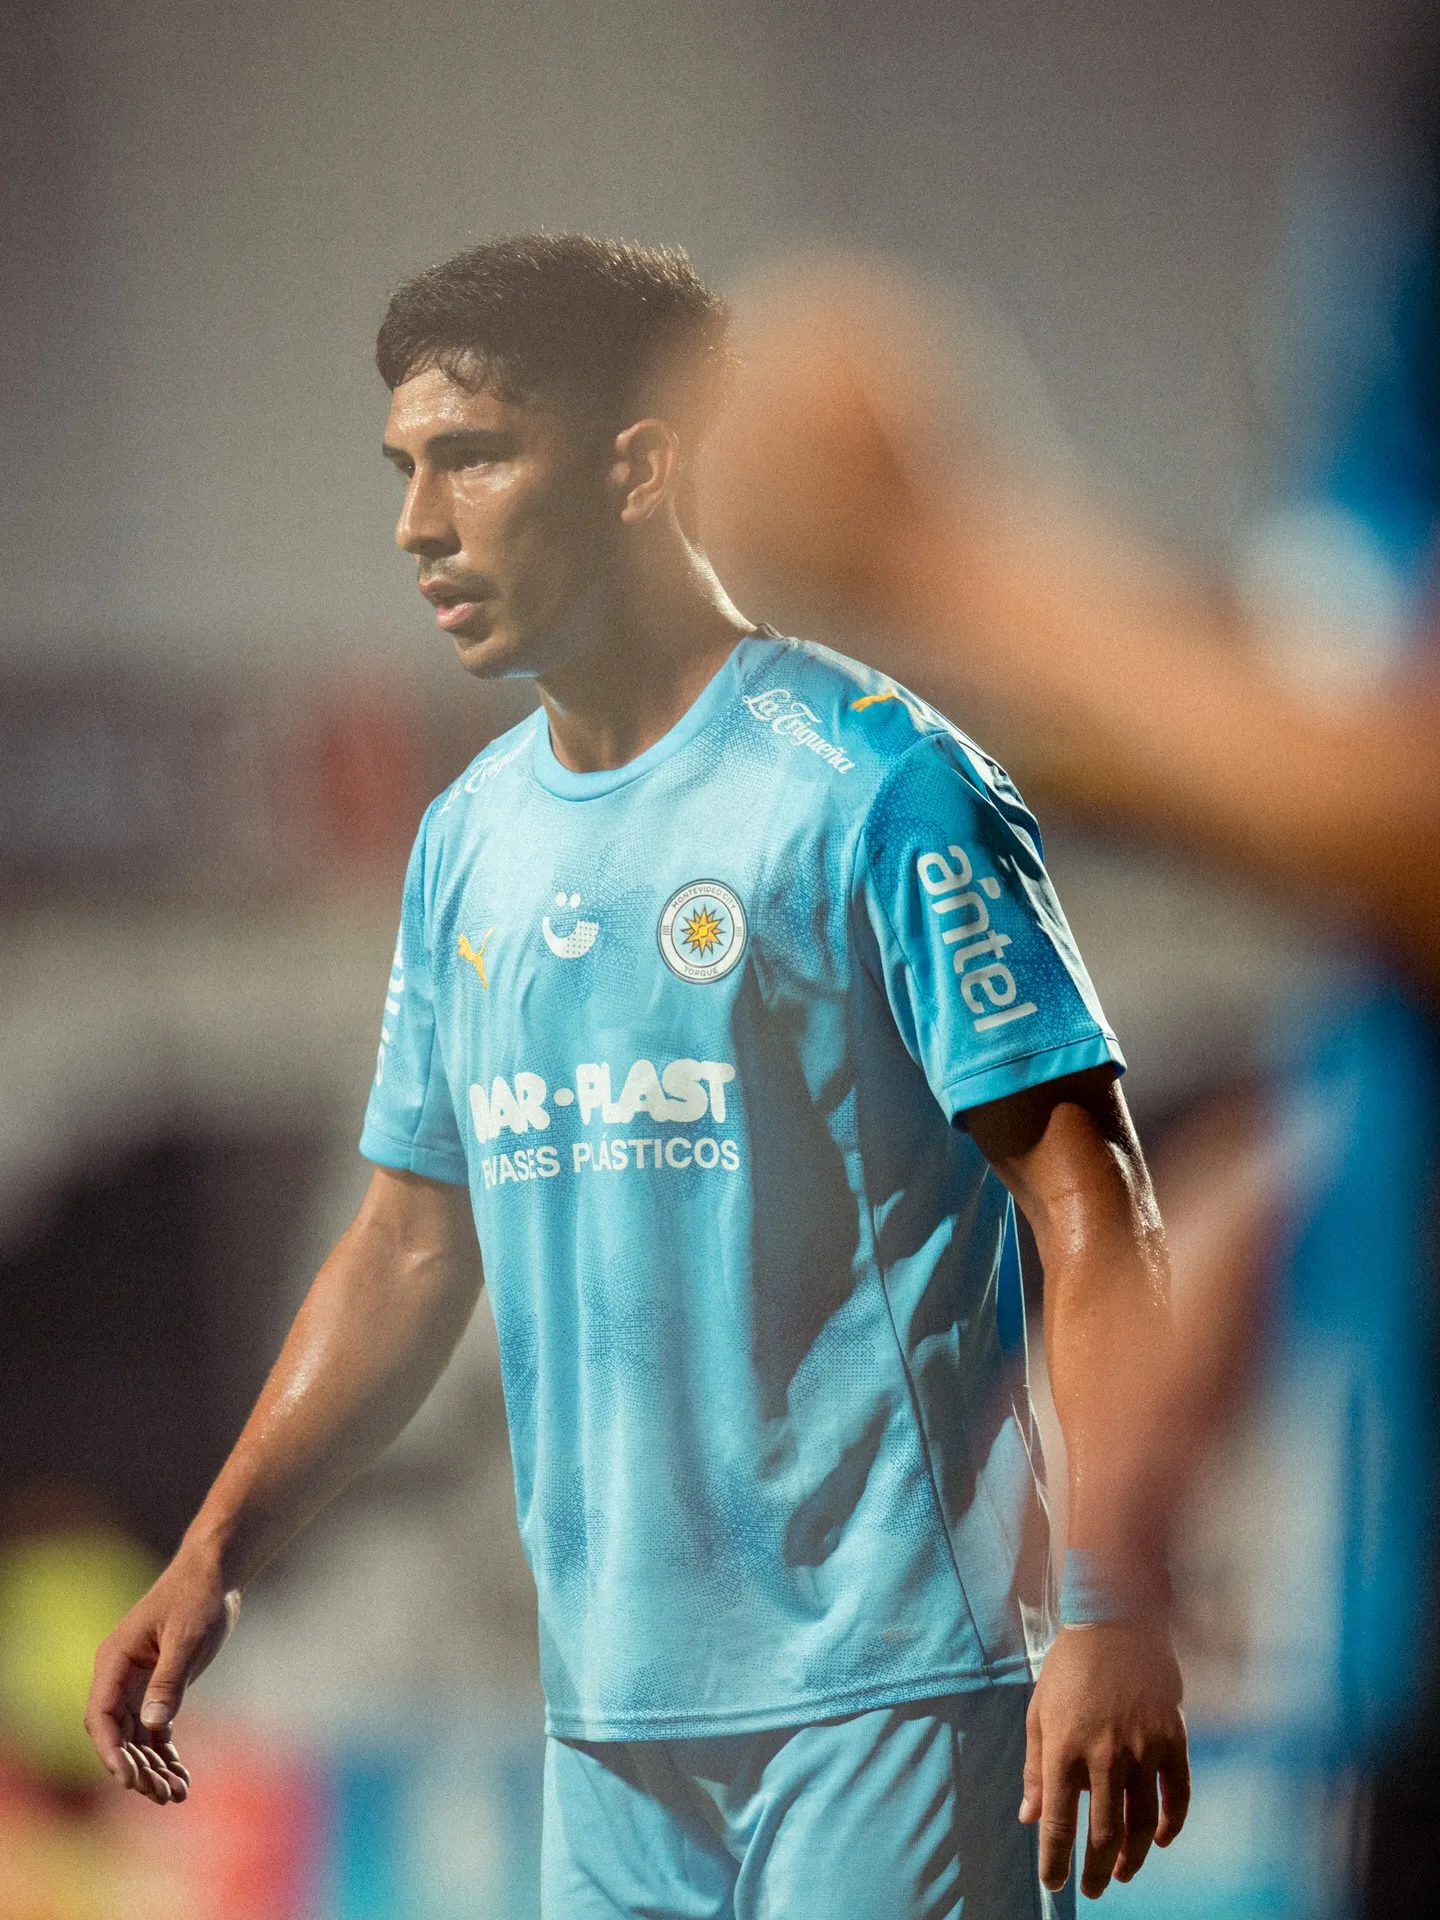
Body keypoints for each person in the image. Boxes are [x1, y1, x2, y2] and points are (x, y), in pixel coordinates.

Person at [85, 235, 1189, 1918]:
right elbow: (406, 1245)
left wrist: (1114, 1607)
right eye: (403, 471)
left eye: (473, 459)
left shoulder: (877, 792)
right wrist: (216, 1550)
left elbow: (1094, 1215)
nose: (416, 527)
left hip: (881, 1700)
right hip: (609, 1738)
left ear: (634, 465)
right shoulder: (467, 843)